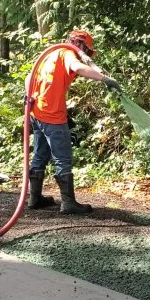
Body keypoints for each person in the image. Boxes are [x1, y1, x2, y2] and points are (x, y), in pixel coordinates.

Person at [25, 30, 121, 214]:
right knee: (62, 158)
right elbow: (77, 68)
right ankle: (68, 203)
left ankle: (34, 198)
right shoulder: (68, 54)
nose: (86, 53)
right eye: (87, 49)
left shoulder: (50, 53)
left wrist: (28, 97)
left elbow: (29, 77)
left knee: (40, 155)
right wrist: (105, 79)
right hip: (52, 114)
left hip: (37, 112)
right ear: (81, 45)